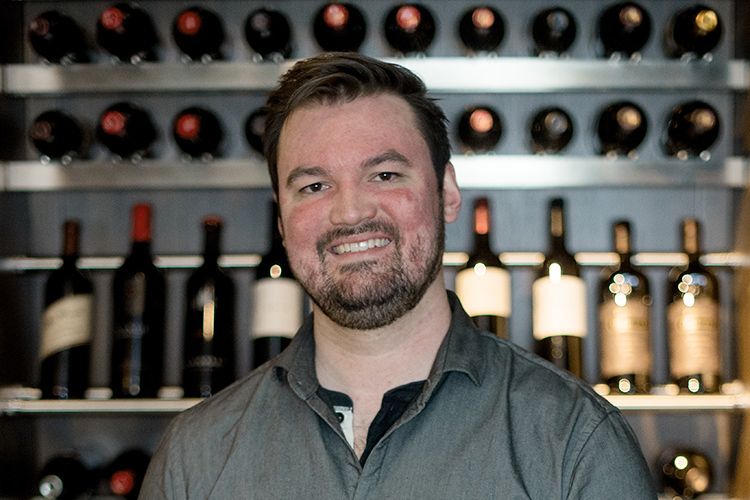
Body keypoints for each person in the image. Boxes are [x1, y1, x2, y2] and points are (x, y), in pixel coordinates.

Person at [139, 53, 657, 499]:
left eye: (385, 175)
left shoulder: (575, 443)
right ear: (281, 217)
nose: (350, 212)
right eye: (314, 186)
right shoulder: (195, 457)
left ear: (446, 193)